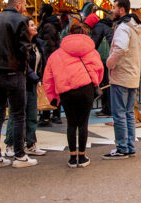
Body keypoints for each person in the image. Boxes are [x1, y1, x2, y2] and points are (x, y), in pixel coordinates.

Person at [0, 0, 36, 168]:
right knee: (18, 114)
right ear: (18, 4)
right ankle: (19, 155)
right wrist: (24, 64)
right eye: (25, 5)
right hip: (14, 72)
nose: (26, 8)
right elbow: (23, 47)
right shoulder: (20, 20)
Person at [43, 23, 104, 168]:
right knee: (83, 123)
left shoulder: (57, 54)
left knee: (71, 123)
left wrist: (52, 95)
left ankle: (72, 157)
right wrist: (95, 81)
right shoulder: (92, 52)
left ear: (69, 34)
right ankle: (82, 157)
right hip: (86, 89)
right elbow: (99, 69)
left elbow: (48, 76)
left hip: (66, 91)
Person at [103, 0, 141, 159]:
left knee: (119, 113)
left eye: (114, 7)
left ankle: (122, 148)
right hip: (132, 74)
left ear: (121, 10)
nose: (112, 10)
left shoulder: (122, 28)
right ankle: (129, 146)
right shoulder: (136, 27)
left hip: (121, 74)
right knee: (128, 113)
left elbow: (120, 48)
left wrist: (110, 63)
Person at [4, 18, 47, 158]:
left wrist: (40, 77)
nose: (35, 27)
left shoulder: (37, 45)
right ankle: (10, 144)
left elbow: (41, 63)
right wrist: (35, 77)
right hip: (20, 82)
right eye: (31, 25)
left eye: (35, 24)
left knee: (32, 115)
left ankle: (30, 143)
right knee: (16, 115)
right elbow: (23, 64)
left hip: (33, 83)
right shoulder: (20, 45)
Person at [37, 3, 63, 126]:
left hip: (49, 61)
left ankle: (49, 113)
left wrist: (46, 63)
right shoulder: (51, 24)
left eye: (40, 10)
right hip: (53, 59)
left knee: (49, 86)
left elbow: (47, 46)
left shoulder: (47, 26)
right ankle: (54, 113)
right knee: (54, 87)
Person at [84, 12, 114, 117]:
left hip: (103, 61)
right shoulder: (104, 27)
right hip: (106, 60)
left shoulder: (98, 28)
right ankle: (107, 108)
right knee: (106, 85)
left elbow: (93, 45)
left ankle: (107, 109)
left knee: (105, 85)